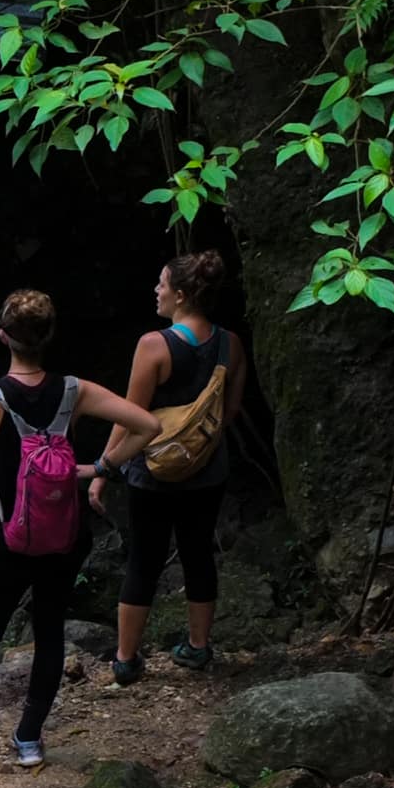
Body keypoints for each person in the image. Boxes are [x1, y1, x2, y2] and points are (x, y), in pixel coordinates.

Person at [0, 289, 160, 777]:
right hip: (65, 537)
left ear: (3, 335)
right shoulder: (75, 391)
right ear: (48, 338)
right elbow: (147, 424)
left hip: (11, 540)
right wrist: (99, 469)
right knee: (50, 630)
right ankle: (29, 739)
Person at [92, 249, 249, 681]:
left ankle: (125, 659)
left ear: (180, 295)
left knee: (144, 557)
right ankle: (198, 648)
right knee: (199, 552)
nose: (156, 291)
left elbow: (130, 415)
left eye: (161, 284)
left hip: (152, 473)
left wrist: (104, 470)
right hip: (207, 471)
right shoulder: (231, 344)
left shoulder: (153, 346)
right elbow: (230, 411)